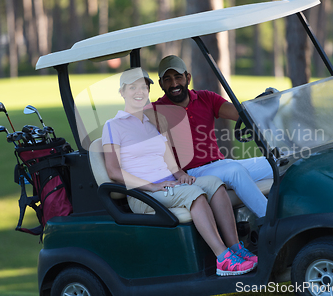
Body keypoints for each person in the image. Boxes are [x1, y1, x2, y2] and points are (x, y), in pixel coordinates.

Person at [102, 67, 257, 276]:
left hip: (168, 186)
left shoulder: (152, 123)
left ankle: (236, 248)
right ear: (122, 92)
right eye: (132, 88)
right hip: (143, 194)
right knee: (194, 194)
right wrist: (153, 186)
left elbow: (170, 162)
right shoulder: (113, 126)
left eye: (143, 87)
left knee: (214, 184)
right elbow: (113, 171)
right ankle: (223, 259)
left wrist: (180, 175)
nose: (139, 92)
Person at [152, 55, 273, 218]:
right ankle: (272, 220)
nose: (174, 84)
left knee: (275, 161)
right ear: (160, 83)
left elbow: (240, 115)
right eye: (167, 79)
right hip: (192, 173)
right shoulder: (156, 111)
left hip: (220, 164)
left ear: (188, 77)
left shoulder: (205, 98)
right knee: (235, 171)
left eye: (178, 77)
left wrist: (267, 104)